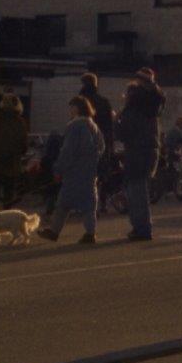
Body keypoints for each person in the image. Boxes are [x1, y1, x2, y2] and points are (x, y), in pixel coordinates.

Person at [38, 96, 105, 244]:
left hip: (74, 171)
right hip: (89, 171)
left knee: (63, 202)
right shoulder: (93, 125)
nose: (70, 110)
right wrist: (92, 160)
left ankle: (54, 231)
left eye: (71, 107)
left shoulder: (75, 126)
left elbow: (67, 151)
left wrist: (58, 169)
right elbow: (101, 146)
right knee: (89, 204)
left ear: (77, 108)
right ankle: (90, 232)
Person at [117, 67, 166, 241]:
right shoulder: (152, 109)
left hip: (137, 151)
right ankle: (141, 227)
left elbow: (124, 133)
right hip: (150, 149)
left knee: (136, 191)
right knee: (140, 189)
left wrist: (117, 121)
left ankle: (142, 228)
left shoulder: (134, 110)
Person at [0, 92, 28, 208]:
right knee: (9, 195)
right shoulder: (19, 122)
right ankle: (7, 218)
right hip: (11, 163)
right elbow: (23, 143)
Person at [80, 73, 116, 211]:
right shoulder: (104, 102)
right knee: (100, 175)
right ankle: (102, 202)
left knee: (85, 175)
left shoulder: (81, 102)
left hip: (85, 143)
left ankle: (86, 204)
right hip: (102, 143)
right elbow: (110, 127)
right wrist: (110, 146)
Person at [41, 127, 64, 215]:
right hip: (58, 177)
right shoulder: (60, 154)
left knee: (51, 193)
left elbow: (44, 164)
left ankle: (50, 208)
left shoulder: (47, 156)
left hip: (49, 178)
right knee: (58, 192)